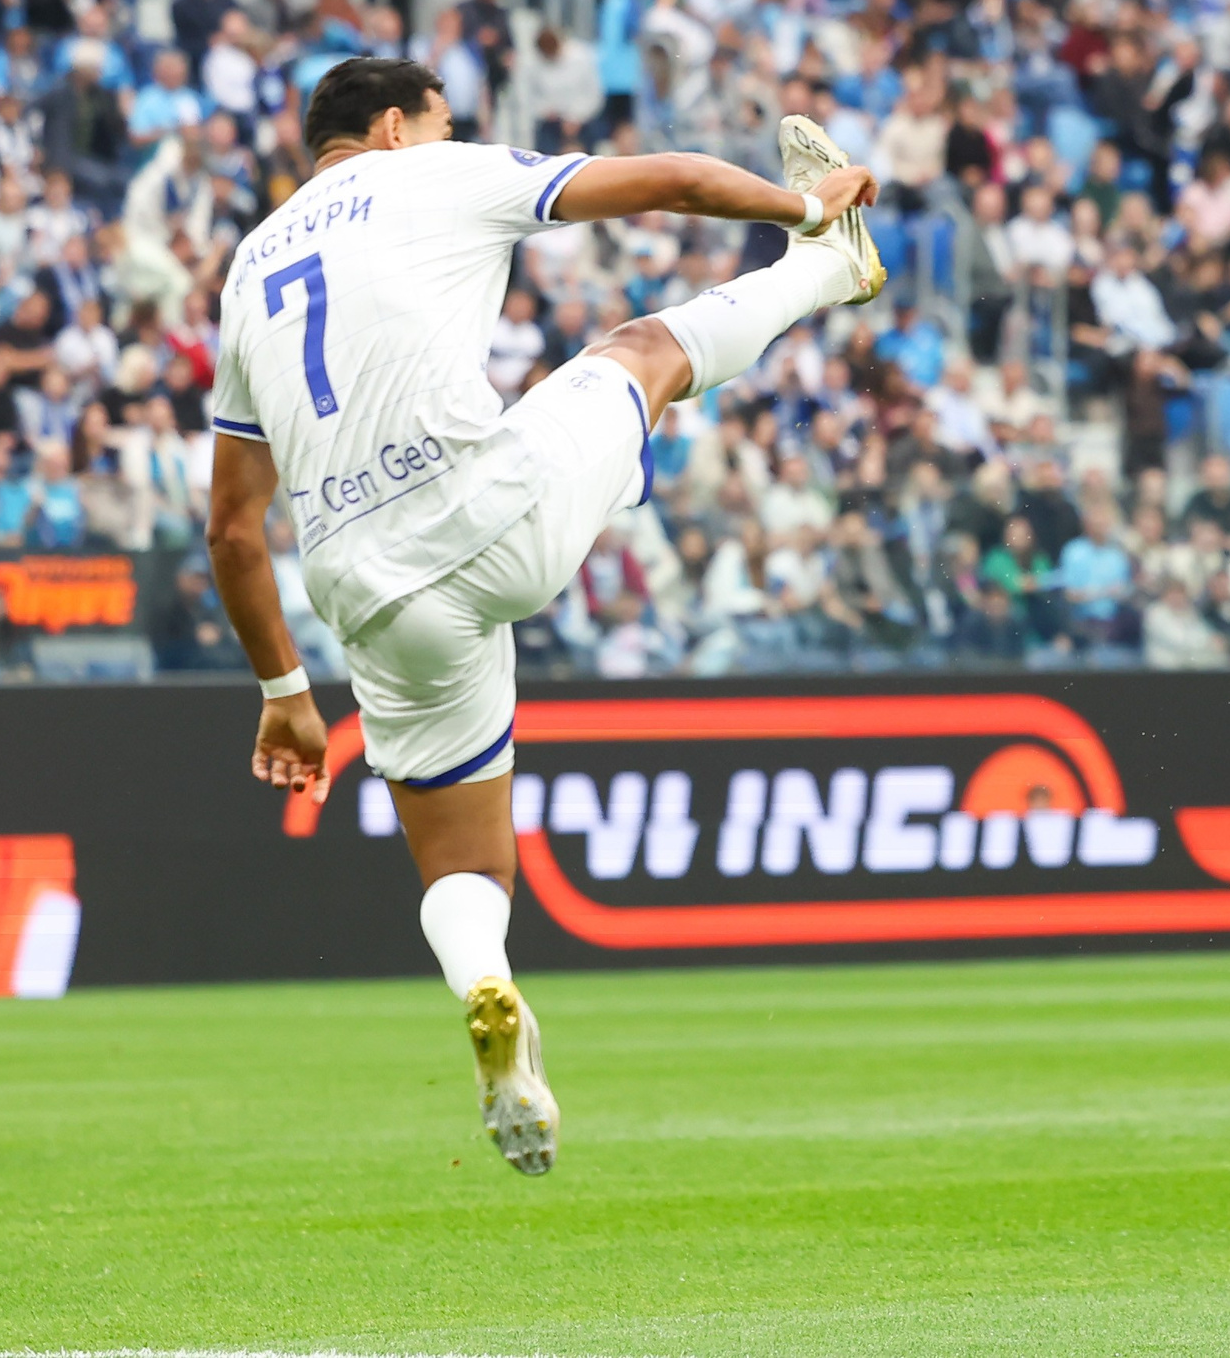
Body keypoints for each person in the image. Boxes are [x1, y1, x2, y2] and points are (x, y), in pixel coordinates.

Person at [205, 60, 882, 1175]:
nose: (451, 135)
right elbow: (675, 179)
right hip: (484, 509)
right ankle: (831, 267)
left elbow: (234, 530)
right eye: (442, 122)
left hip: (362, 590)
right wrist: (803, 204)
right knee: (643, 351)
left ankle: (487, 985)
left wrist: (284, 692)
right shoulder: (431, 173)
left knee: (462, 861)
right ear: (394, 127)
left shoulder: (246, 270)